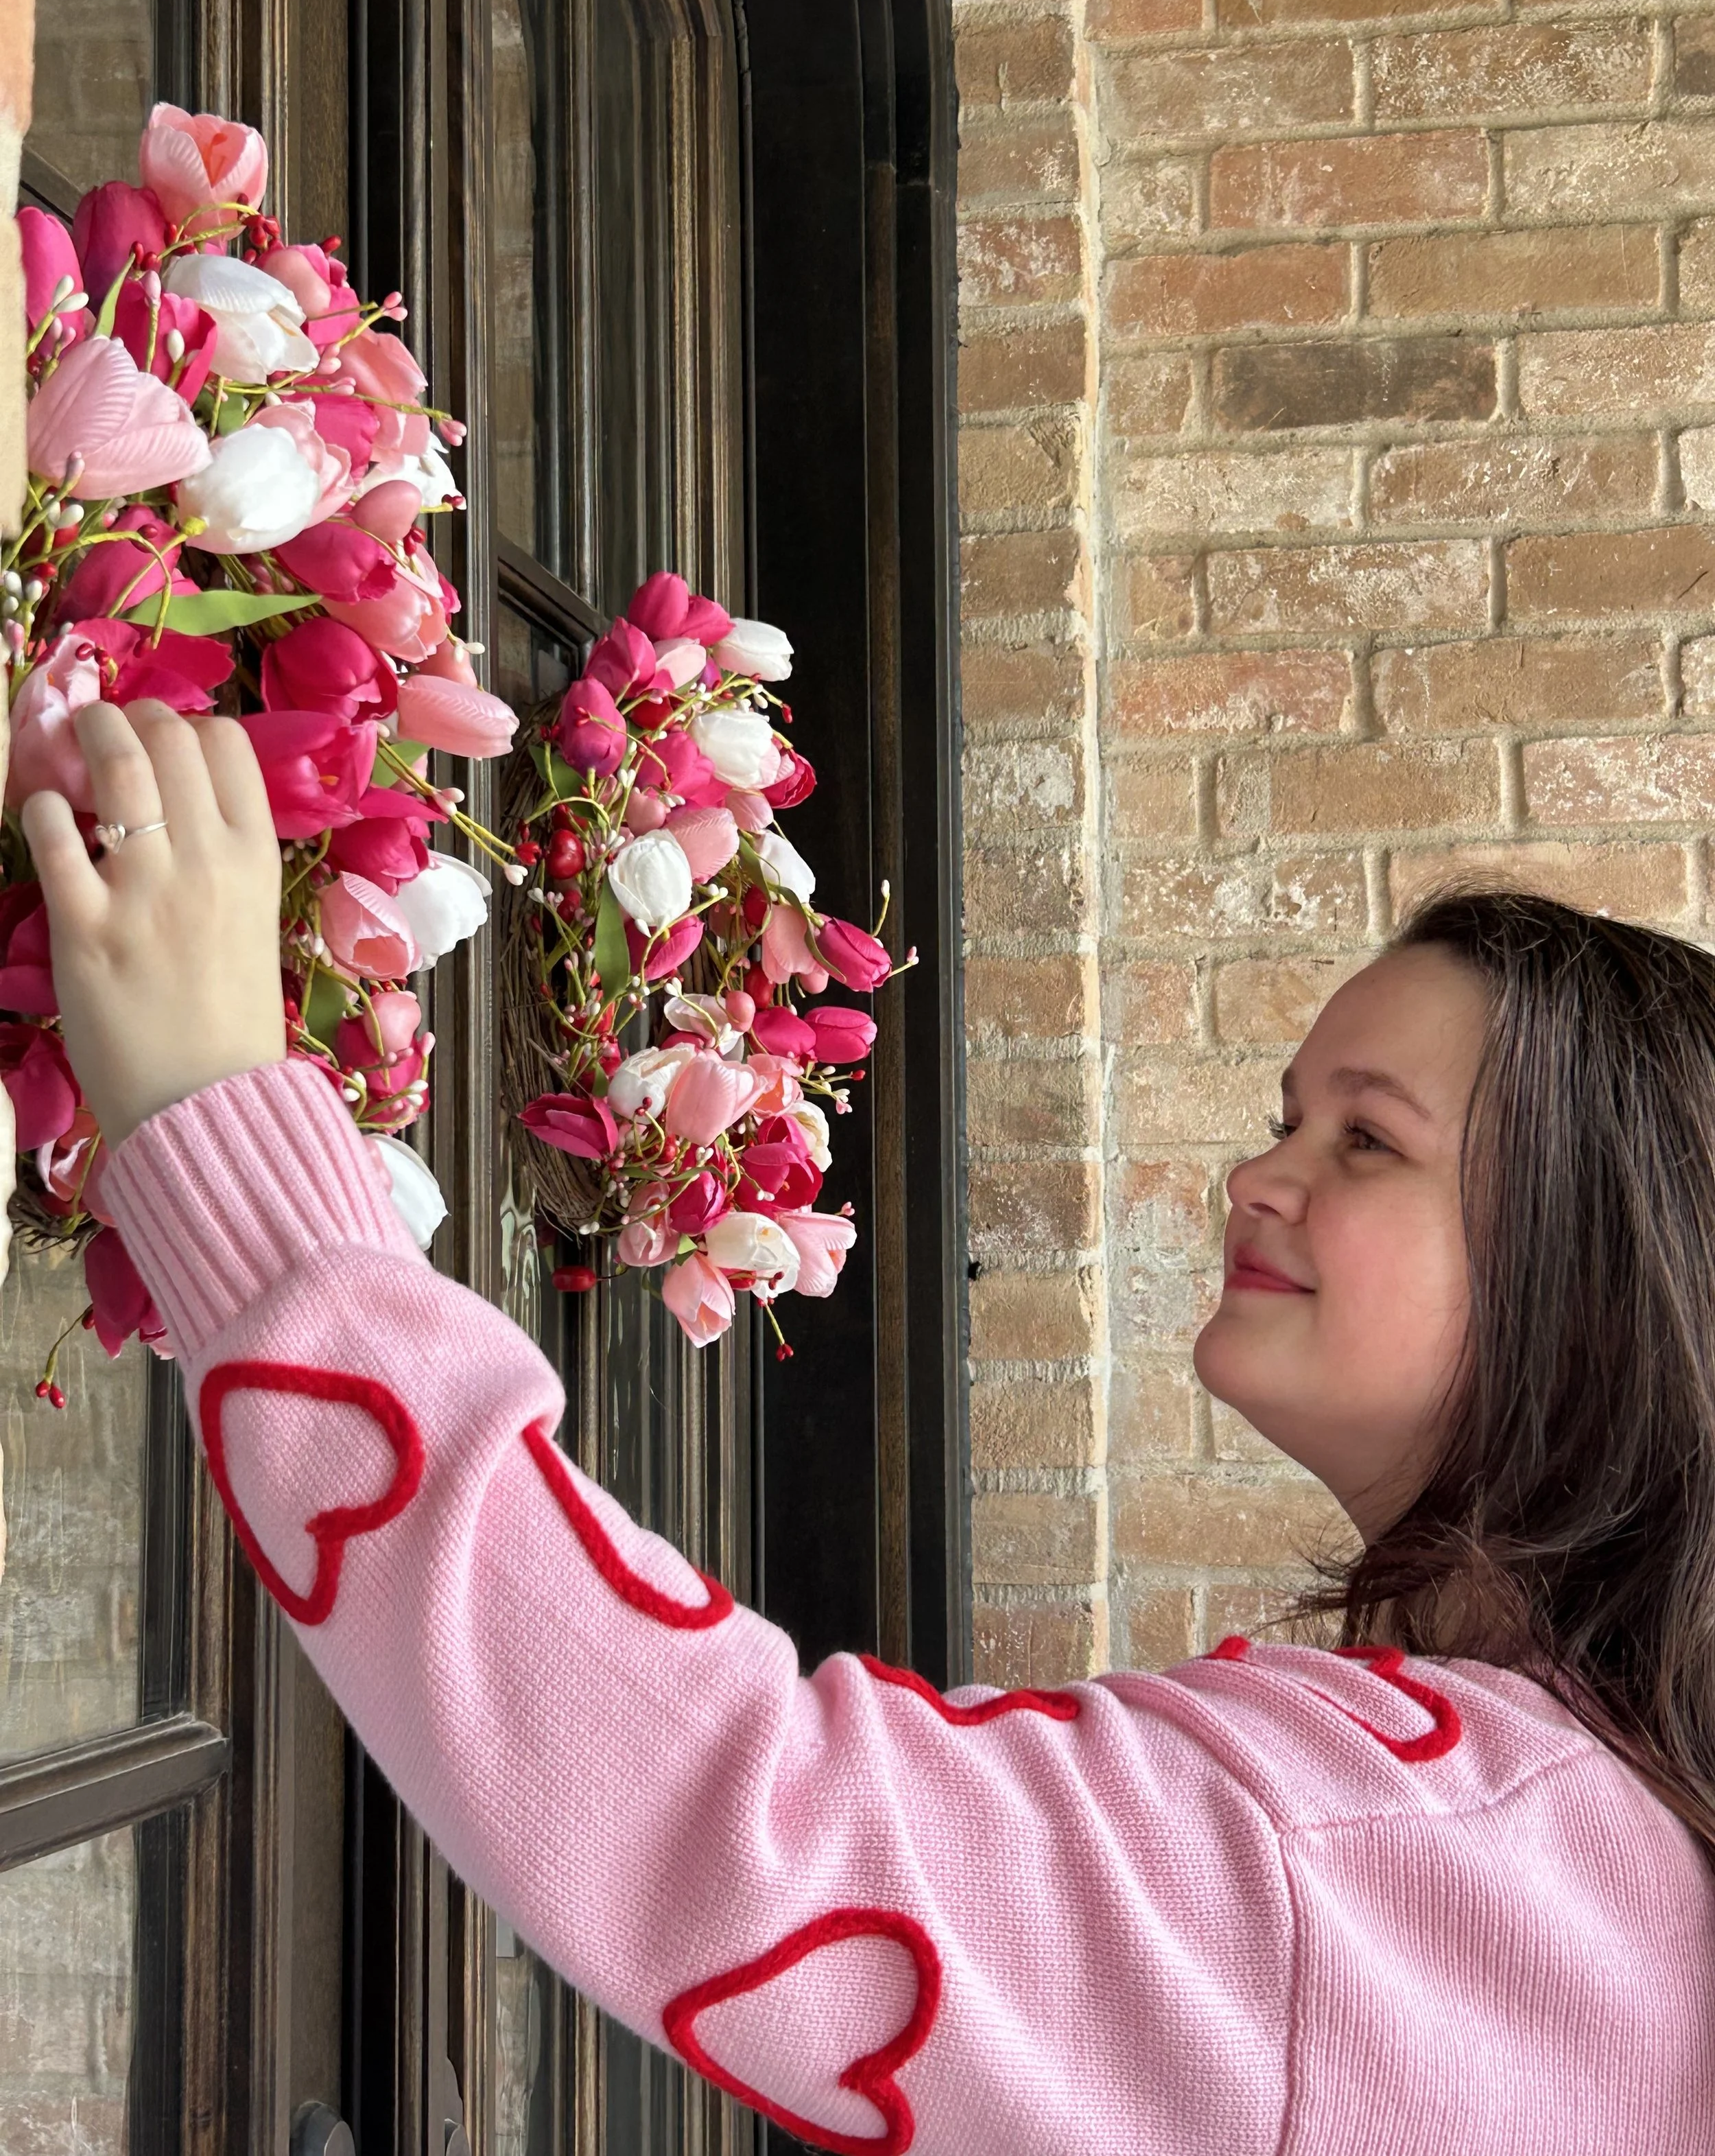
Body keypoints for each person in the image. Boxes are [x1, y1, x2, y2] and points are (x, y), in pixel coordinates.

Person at [23, 697, 1715, 2155]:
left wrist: (230, 1148)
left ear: (1584, 1269)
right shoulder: (1588, 1847)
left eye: (1366, 1141)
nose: (1256, 1177)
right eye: (1288, 1117)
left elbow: (735, 1813)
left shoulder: (1375, 1863)